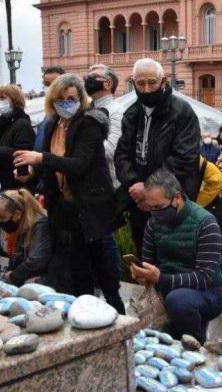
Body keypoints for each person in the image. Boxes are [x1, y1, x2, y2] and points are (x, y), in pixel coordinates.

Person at [13, 74, 124, 313]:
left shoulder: (89, 124)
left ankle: (119, 316)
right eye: (60, 99)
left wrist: (41, 158)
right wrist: (32, 170)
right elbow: (51, 164)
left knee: (104, 270)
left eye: (71, 98)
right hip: (64, 208)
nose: (66, 103)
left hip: (91, 207)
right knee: (77, 268)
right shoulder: (53, 124)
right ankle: (84, 314)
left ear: (81, 99)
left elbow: (79, 164)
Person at [115, 58, 201, 254]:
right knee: (144, 253)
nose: (146, 89)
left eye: (152, 82)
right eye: (140, 83)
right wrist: (134, 185)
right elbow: (121, 155)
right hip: (138, 202)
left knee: (173, 257)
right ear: (133, 82)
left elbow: (183, 158)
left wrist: (148, 189)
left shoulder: (182, 112)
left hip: (172, 200)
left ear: (164, 81)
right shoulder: (131, 114)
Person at [129, 169, 222, 343]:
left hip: (208, 291)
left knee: (178, 301)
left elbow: (205, 277)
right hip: (168, 289)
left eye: (158, 207)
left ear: (177, 198)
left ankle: (196, 345)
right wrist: (143, 275)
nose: (154, 213)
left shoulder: (206, 223)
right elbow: (148, 262)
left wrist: (161, 278)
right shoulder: (153, 223)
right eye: (150, 208)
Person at [85, 63, 125, 281]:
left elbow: (111, 149)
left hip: (106, 184)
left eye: (94, 76)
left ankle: (112, 283)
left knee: (105, 237)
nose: (88, 79)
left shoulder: (116, 111)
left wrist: (82, 147)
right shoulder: (88, 109)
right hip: (88, 183)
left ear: (108, 83)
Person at [0, 189, 51, 286]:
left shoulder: (40, 224)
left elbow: (36, 261)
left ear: (17, 214)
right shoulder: (23, 225)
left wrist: (13, 276)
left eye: (2, 217)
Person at [35, 66, 65, 151]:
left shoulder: (69, 114)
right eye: (47, 84)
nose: (51, 87)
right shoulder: (45, 116)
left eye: (55, 83)